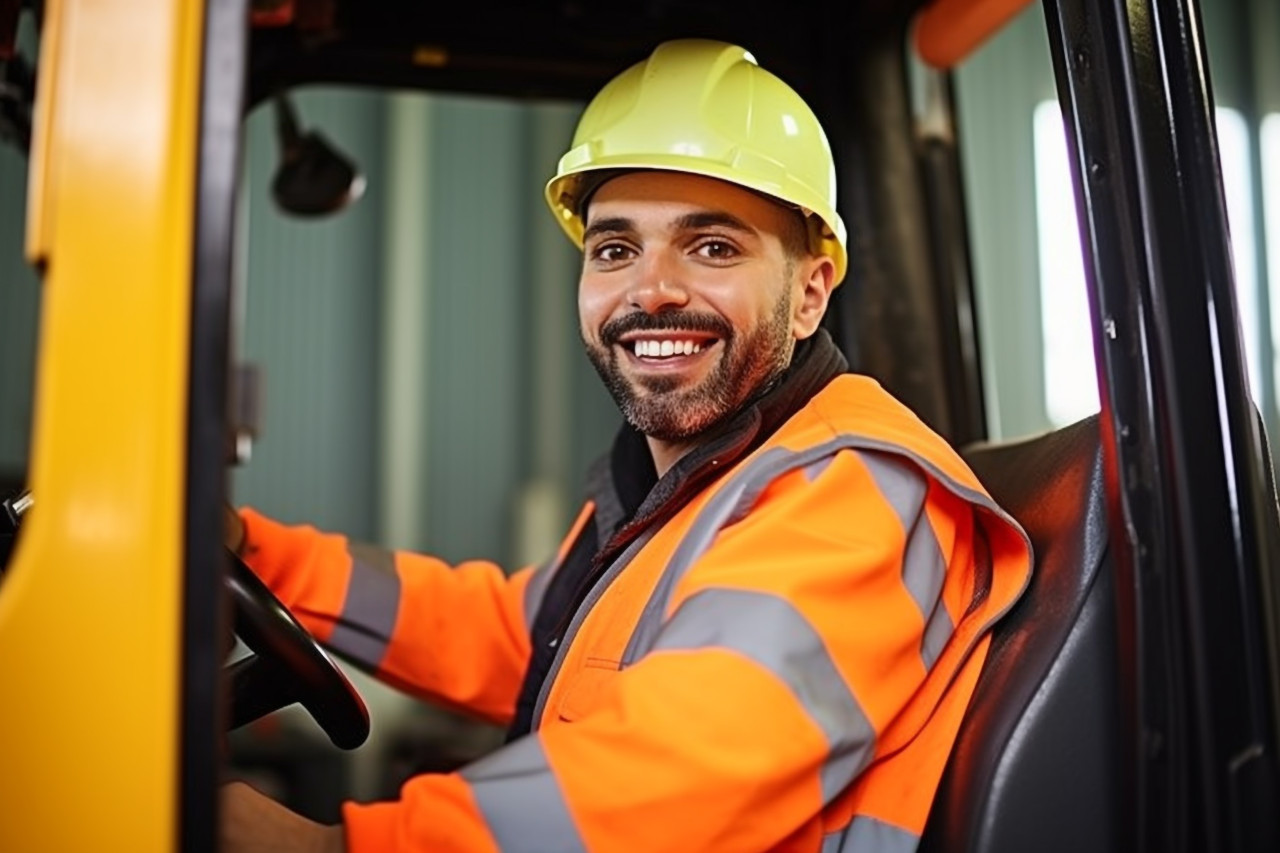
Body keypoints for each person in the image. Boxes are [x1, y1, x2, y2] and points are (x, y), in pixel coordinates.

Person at [219, 38, 1033, 853]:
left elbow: (682, 773)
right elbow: (522, 638)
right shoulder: (695, 486)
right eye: (615, 249)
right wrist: (260, 555)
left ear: (811, 293)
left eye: (713, 246)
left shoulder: (854, 493)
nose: (650, 290)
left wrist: (331, 848)